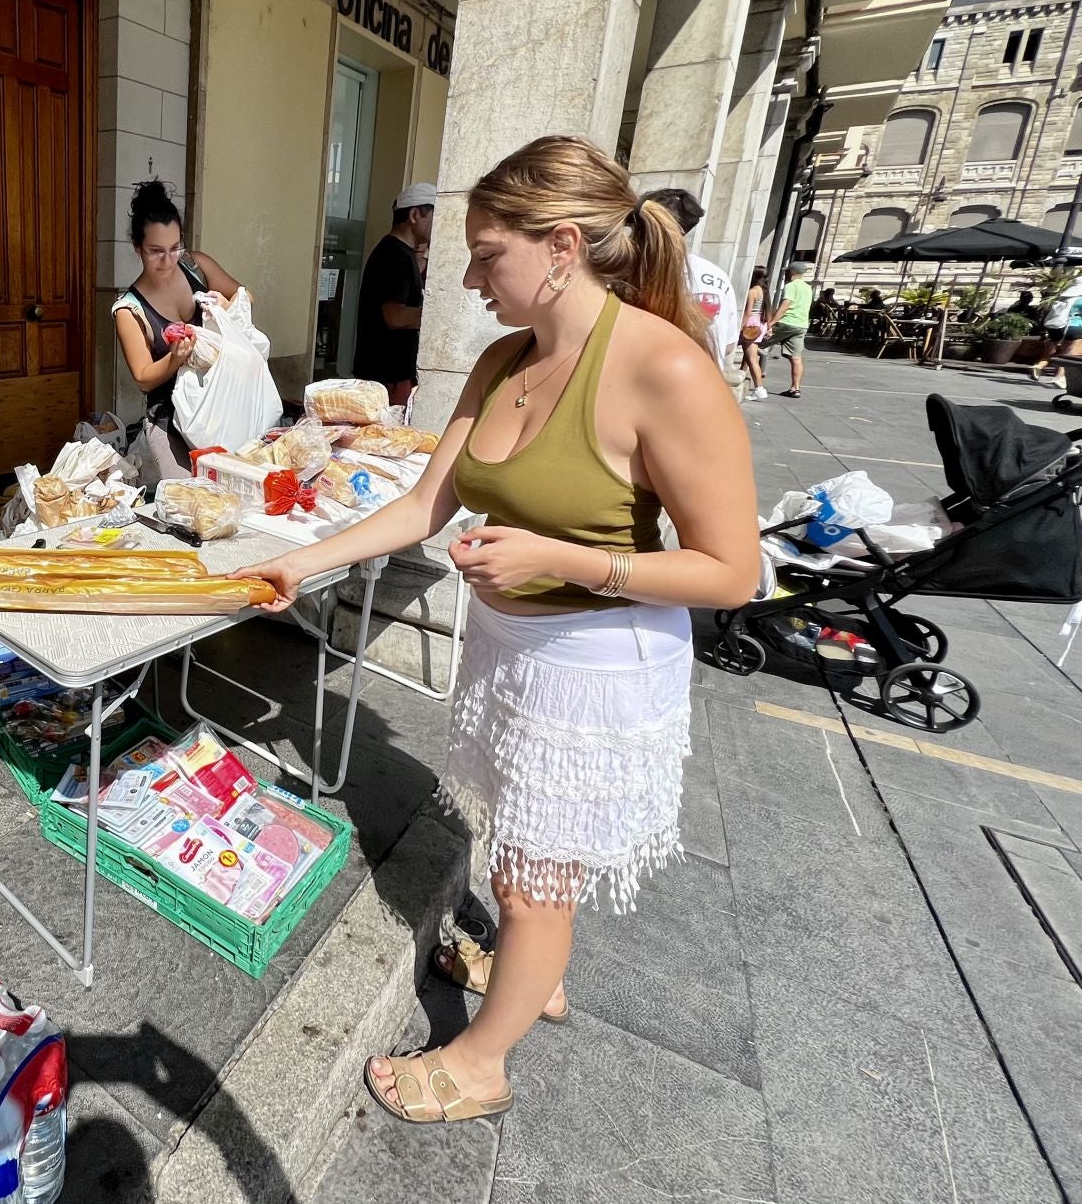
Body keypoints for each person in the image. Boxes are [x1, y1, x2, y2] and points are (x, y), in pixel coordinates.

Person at [234, 135, 757, 1128]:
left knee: (531, 881)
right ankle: (534, 973)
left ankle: (482, 1060)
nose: (467, 279)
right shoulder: (504, 358)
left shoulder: (665, 370)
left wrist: (567, 561)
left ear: (561, 245)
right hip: (510, 652)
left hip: (596, 669)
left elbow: (733, 571)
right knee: (525, 859)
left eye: (485, 255)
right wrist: (302, 561)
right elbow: (429, 504)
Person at [112, 180, 243, 483]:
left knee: (237, 492)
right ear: (137, 248)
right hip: (170, 422)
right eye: (156, 251)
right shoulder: (129, 309)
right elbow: (143, 377)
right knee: (191, 496)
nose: (168, 260)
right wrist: (174, 359)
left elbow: (244, 297)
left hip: (222, 405)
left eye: (175, 248)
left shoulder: (197, 267)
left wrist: (225, 302)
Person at [643, 187, 742, 390]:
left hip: (656, 392)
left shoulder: (644, 273)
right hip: (706, 391)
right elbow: (729, 344)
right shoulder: (718, 275)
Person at [353, 182, 436, 405]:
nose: (437, 225)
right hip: (387, 377)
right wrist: (438, 317)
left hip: (389, 374)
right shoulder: (394, 255)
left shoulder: (400, 253)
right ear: (415, 214)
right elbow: (395, 317)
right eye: (434, 217)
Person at [759, 260, 814, 399]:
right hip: (801, 325)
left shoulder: (790, 286)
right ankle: (795, 388)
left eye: (787, 271)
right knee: (796, 357)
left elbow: (785, 305)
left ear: (791, 272)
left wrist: (771, 323)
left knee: (754, 344)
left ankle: (749, 375)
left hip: (786, 322)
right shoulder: (808, 288)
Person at [740, 268, 770, 401]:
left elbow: (748, 312)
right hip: (761, 324)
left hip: (751, 325)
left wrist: (740, 327)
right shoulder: (764, 291)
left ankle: (759, 389)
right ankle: (742, 374)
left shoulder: (753, 291)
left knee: (752, 358)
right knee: (749, 355)